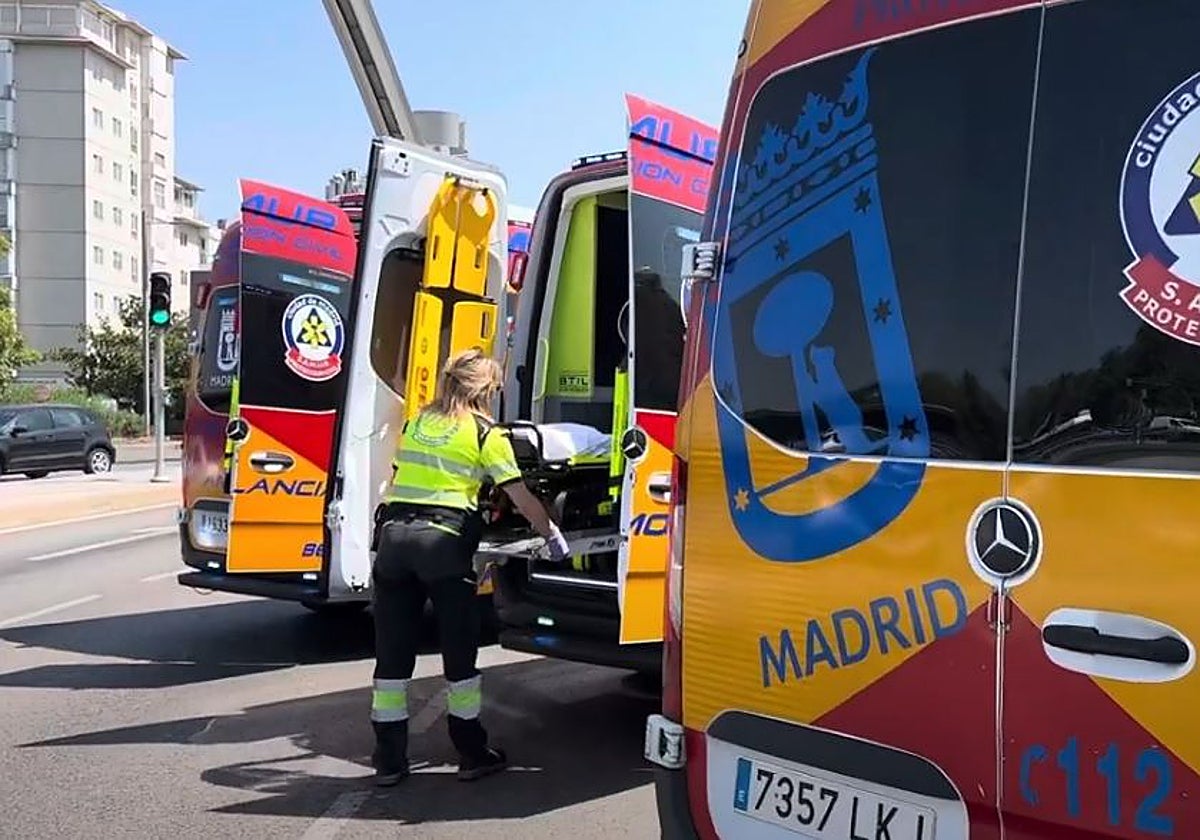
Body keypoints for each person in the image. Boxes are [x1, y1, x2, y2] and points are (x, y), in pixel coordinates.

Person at [369, 348, 571, 786]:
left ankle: (388, 760)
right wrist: (552, 534)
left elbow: (405, 475)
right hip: (442, 545)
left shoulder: (418, 422)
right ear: (486, 390)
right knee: (459, 655)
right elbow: (520, 496)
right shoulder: (485, 434)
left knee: (391, 657)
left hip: (394, 542)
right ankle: (471, 751)